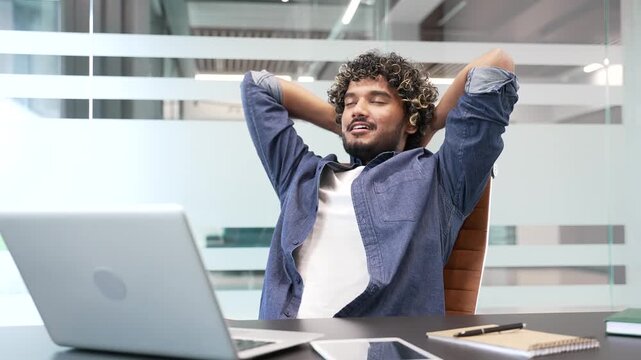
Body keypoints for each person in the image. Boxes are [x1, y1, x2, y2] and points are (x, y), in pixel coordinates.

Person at [240, 48, 519, 320]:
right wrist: (346, 121)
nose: (358, 109)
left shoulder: (440, 179)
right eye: (350, 102)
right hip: (287, 346)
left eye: (377, 101)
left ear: (410, 120)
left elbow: (496, 64)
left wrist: (428, 124)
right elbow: (257, 87)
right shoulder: (301, 175)